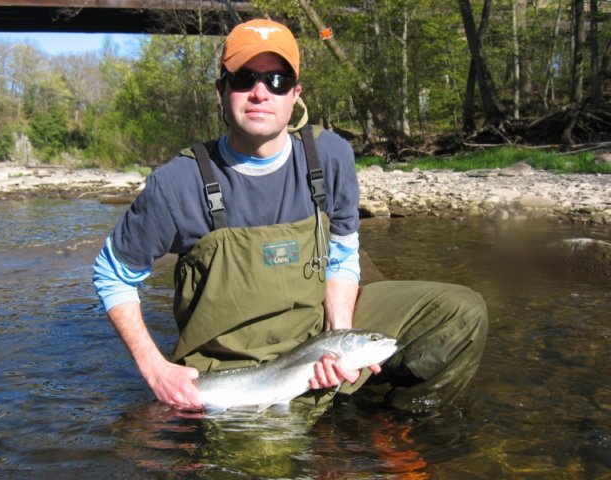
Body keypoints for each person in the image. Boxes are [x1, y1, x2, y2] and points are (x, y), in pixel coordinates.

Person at [93, 18, 488, 413]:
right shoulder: (177, 184)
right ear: (222, 91)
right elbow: (113, 274)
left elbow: (342, 255)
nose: (261, 93)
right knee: (272, 470)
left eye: (277, 80)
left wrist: (338, 336)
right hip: (233, 367)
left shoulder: (331, 155)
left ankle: (398, 427)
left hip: (315, 331)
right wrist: (156, 369)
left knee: (459, 314)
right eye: (245, 78)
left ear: (295, 93)